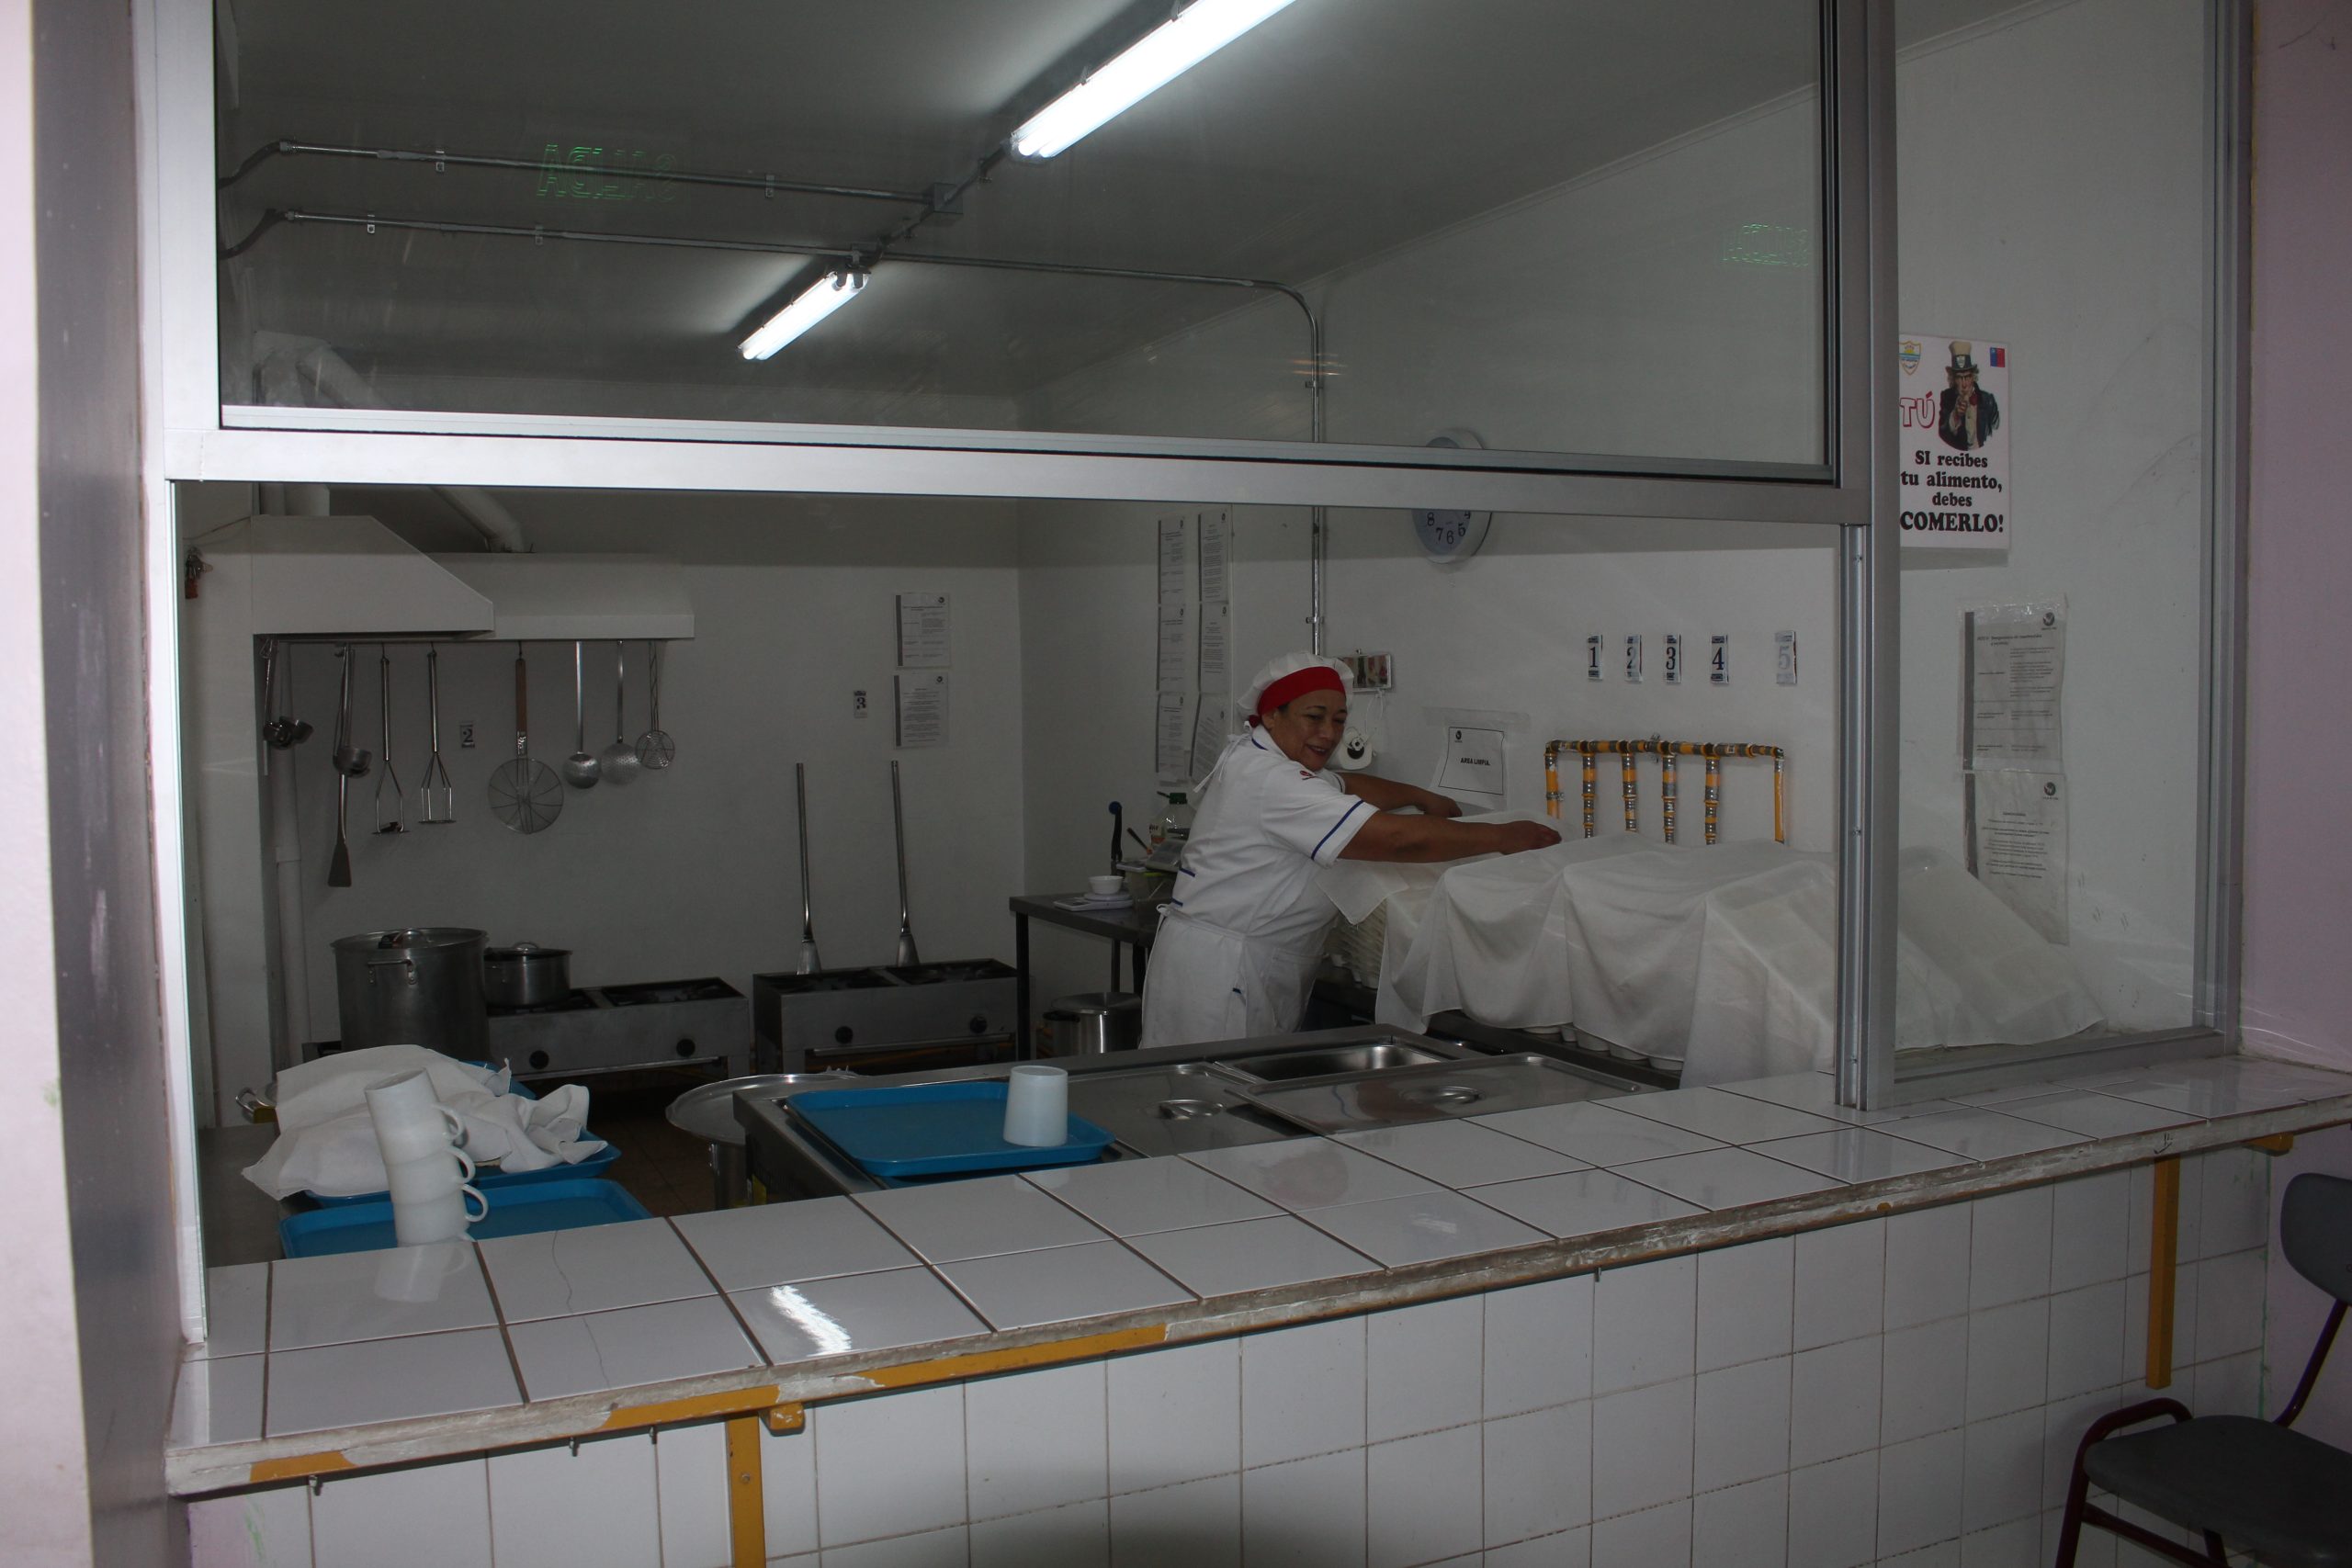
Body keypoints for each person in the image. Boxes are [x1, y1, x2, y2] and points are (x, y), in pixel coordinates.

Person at [1139, 652, 1562, 1047]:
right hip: (1227, 970)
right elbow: (1396, 840)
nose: (1329, 733)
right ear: (1271, 715)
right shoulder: (1272, 780)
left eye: (1339, 720)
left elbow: (1347, 785)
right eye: (1314, 717)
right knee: (1214, 1091)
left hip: (1233, 959)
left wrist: (1419, 795)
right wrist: (1502, 837)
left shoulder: (1267, 759)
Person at [1936, 341, 2001, 452]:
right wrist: (1955, 415)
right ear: (1953, 379)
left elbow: (1998, 433)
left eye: (1967, 377)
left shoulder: (1988, 400)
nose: (1964, 384)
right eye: (1959, 377)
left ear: (1973, 377)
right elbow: (1942, 433)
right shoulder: (1947, 397)